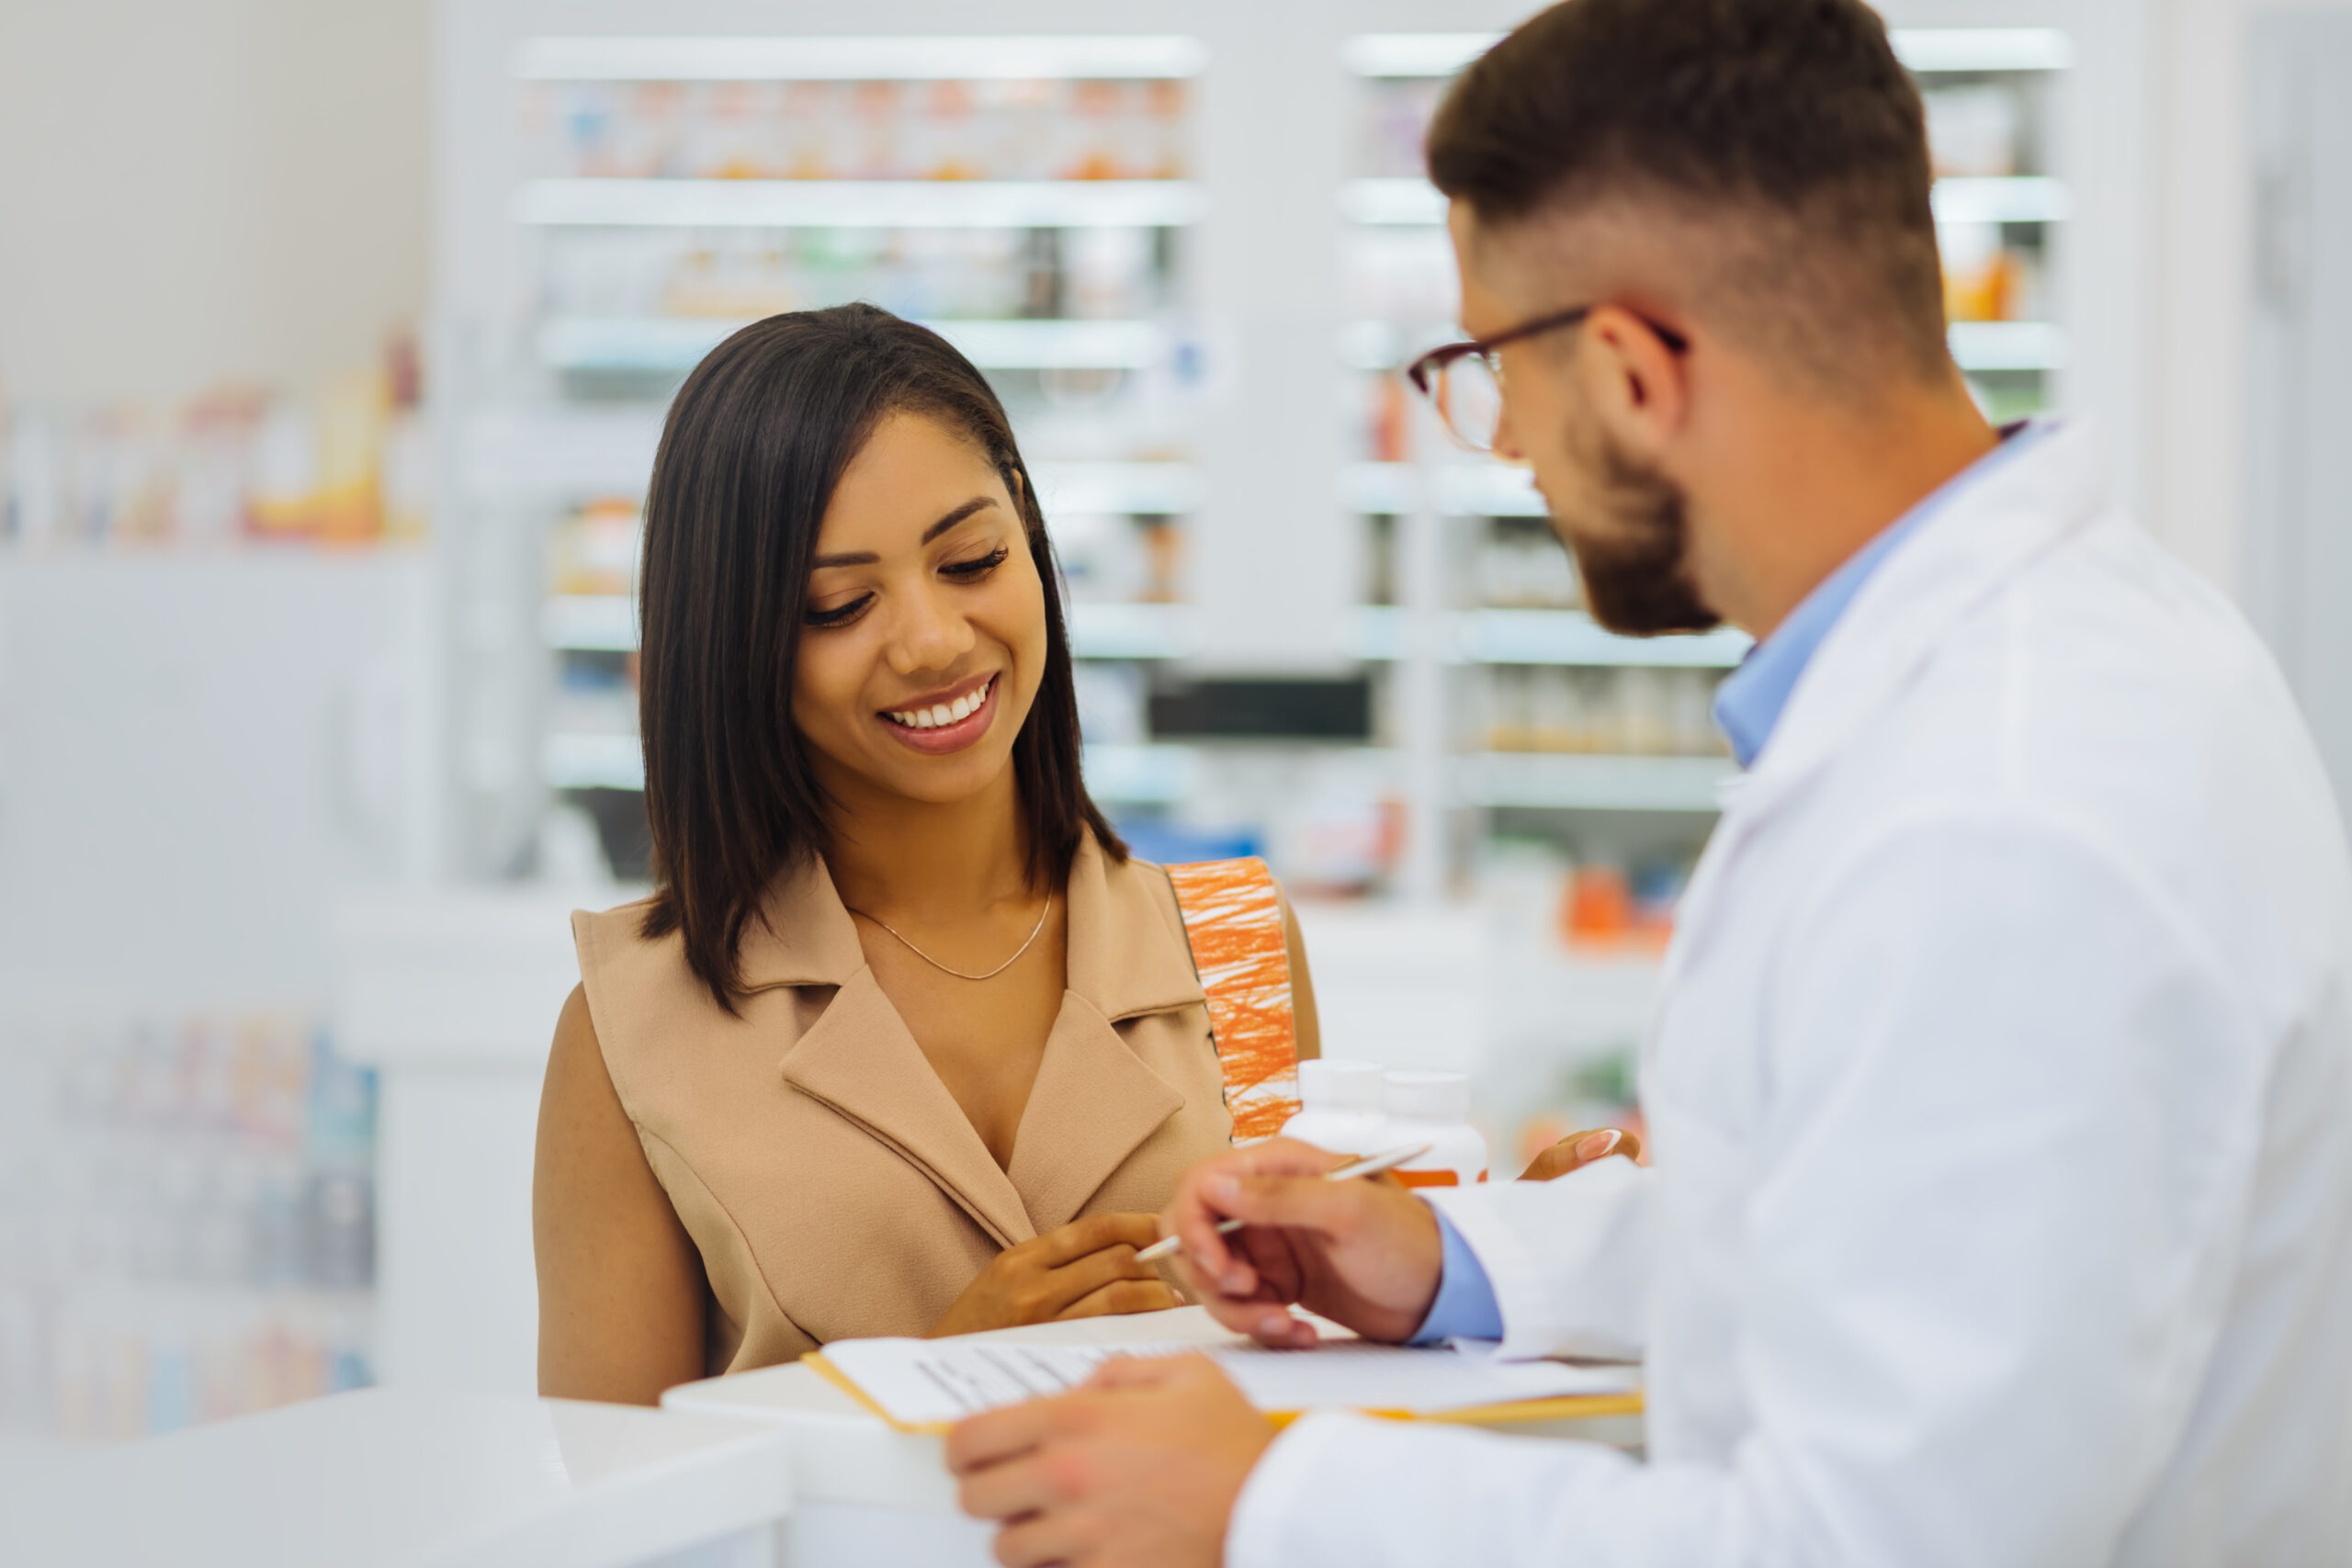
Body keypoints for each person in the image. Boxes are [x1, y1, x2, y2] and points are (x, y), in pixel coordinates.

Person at [944, 1, 2352, 1562]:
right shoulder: (2050, 665)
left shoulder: (2006, 808)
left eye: (1485, 369)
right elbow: (1877, 1242)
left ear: (1625, 367)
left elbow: (1885, 1537)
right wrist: (1449, 1257)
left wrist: (1276, 1503)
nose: (1506, 450)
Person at [531, 305, 1326, 1405]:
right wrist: (932, 1384)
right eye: (841, 604)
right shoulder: (633, 1028)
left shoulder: (1238, 942)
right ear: (734, 642)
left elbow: (1315, 1372)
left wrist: (1483, 1262)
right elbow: (613, 1512)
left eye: (971, 560)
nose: (932, 640)